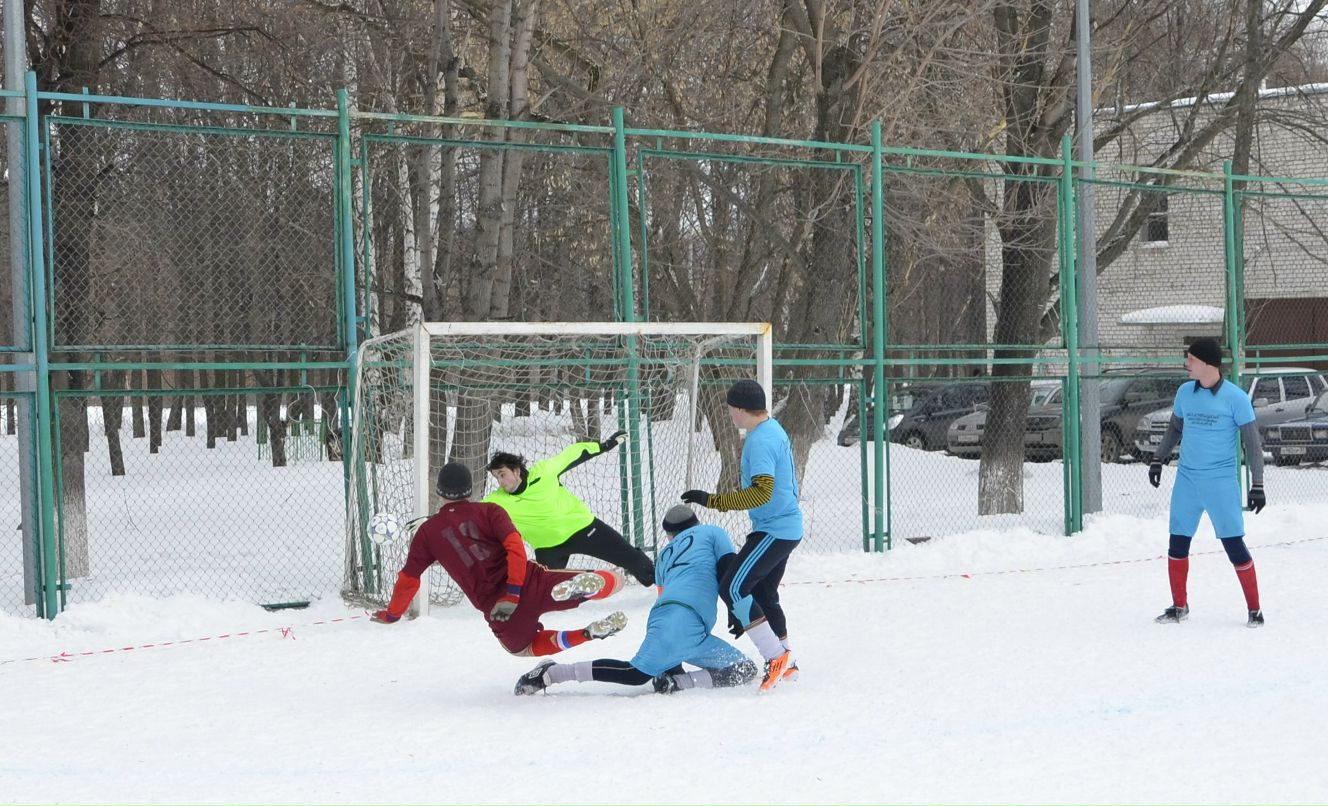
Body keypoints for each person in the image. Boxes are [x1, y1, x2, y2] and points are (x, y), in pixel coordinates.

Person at [370, 462, 630, 657]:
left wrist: (393, 614)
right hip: (529, 582)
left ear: (439, 493)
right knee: (615, 579)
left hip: (497, 609)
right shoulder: (491, 510)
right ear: (470, 490)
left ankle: (586, 634)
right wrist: (514, 591)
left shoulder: (428, 532)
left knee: (523, 650)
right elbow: (515, 547)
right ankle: (598, 583)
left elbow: (408, 580)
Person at [513, 504, 758, 696]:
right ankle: (553, 673)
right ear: (696, 522)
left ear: (670, 535)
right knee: (636, 673)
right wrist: (736, 610)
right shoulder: (713, 532)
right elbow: (730, 570)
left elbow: (663, 596)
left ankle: (675, 681)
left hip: (677, 622)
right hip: (684, 620)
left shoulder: (663, 556)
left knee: (743, 669)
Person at [681, 378, 803, 691]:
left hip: (775, 529)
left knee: (733, 588)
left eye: (730, 410)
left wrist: (713, 501)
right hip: (784, 527)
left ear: (738, 409)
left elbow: (761, 492)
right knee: (763, 594)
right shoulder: (772, 429)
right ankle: (786, 663)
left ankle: (776, 656)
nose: (730, 416)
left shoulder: (760, 440)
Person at [1149, 337, 1266, 628]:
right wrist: (1158, 458)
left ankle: (1255, 610)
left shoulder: (1235, 398)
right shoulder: (1184, 393)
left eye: (1190, 359)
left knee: (1234, 545)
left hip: (1220, 482)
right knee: (1177, 542)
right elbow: (1175, 428)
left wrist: (1258, 484)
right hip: (1188, 479)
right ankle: (1179, 606)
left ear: (1206, 363)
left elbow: (1252, 444)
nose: (1186, 364)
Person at [483, 432, 656, 586]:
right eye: (496, 477)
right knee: (540, 589)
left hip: (582, 529)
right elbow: (472, 514)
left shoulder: (544, 472)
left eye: (502, 474)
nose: (500, 481)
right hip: (548, 548)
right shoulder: (496, 501)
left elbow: (573, 454)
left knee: (631, 557)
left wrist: (604, 446)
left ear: (516, 471)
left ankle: (663, 582)